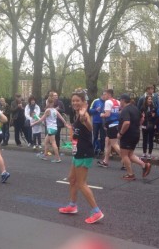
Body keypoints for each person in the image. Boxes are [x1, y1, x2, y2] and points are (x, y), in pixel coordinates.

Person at [58, 90, 104, 224]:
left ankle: (96, 211)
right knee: (72, 179)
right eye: (73, 100)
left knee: (81, 183)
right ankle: (72, 206)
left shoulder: (84, 115)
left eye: (78, 100)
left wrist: (84, 117)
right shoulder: (78, 115)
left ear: (84, 102)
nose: (75, 103)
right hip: (77, 151)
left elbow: (90, 128)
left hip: (84, 152)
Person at [118, 94, 151, 181]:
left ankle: (130, 174)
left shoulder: (125, 110)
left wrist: (120, 133)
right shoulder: (135, 108)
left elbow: (126, 123)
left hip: (127, 135)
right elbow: (142, 119)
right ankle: (144, 165)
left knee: (124, 154)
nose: (119, 102)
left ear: (123, 100)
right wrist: (136, 126)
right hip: (136, 134)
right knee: (130, 154)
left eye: (120, 100)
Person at [32, 96, 68, 163]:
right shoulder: (55, 110)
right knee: (46, 141)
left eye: (46, 102)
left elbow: (41, 119)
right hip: (54, 128)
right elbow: (61, 117)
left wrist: (33, 124)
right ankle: (45, 155)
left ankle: (58, 158)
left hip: (50, 128)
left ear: (48, 102)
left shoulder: (48, 110)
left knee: (53, 143)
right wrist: (65, 123)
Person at [97, 89, 121, 168]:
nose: (104, 96)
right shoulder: (118, 102)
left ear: (109, 94)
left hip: (111, 125)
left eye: (105, 94)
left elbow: (107, 114)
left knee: (114, 144)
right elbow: (119, 112)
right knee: (107, 142)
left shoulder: (107, 102)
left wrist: (101, 114)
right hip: (116, 124)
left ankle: (126, 160)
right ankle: (105, 161)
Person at [89, 92, 106, 156]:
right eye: (104, 95)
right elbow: (90, 110)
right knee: (95, 135)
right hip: (96, 121)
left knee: (102, 137)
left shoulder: (107, 102)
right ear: (101, 95)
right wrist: (96, 109)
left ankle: (102, 150)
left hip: (103, 122)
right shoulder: (96, 101)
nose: (105, 96)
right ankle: (93, 149)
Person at [140, 95, 157, 159]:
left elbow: (155, 116)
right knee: (144, 139)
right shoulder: (143, 107)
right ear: (146, 100)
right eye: (149, 99)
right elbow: (142, 115)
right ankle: (144, 153)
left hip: (151, 125)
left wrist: (155, 122)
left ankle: (150, 153)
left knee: (151, 140)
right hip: (144, 124)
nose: (150, 100)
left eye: (151, 99)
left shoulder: (154, 107)